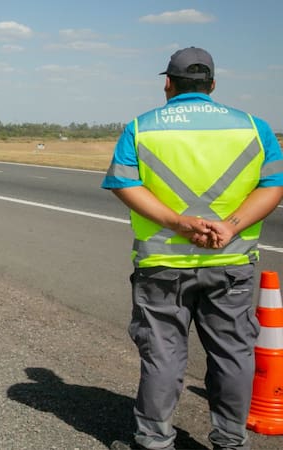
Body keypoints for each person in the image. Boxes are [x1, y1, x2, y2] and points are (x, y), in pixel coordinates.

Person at [102, 47, 283, 450]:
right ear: (212, 85)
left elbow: (124, 184)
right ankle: (230, 442)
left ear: (168, 83)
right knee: (234, 354)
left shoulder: (141, 127)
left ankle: (153, 441)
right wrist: (230, 226)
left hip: (162, 265)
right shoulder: (255, 128)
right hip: (231, 261)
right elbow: (273, 186)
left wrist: (179, 223)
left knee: (163, 356)